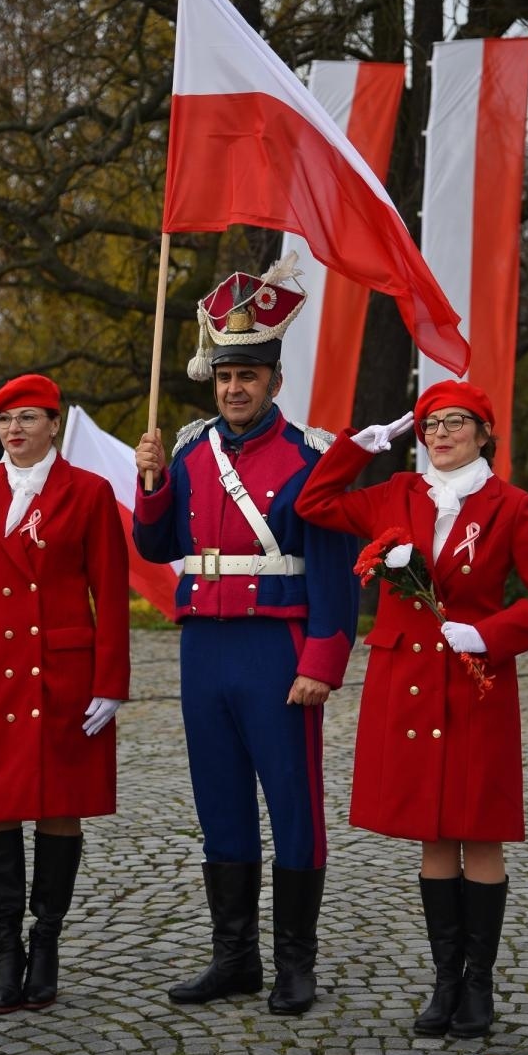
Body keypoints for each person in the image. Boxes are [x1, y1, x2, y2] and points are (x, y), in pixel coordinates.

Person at [295, 380, 528, 1038]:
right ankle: (442, 983)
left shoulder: (509, 506)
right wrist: (356, 447)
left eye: (456, 422)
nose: (441, 433)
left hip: (474, 685)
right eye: (430, 424)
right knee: (432, 833)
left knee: (478, 829)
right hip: (409, 685)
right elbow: (314, 502)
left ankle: (476, 988)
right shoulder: (396, 494)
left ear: (483, 434)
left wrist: (490, 632)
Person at [134, 257, 359, 1015]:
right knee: (219, 804)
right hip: (204, 649)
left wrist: (322, 662)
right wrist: (154, 482)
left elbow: (334, 572)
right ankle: (233, 958)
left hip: (276, 651)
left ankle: (296, 964)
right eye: (226, 375)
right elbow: (158, 547)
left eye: (250, 375)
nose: (235, 388)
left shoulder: (308, 458)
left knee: (293, 806)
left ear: (274, 381)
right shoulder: (192, 452)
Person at [0, 373, 130, 1014]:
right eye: (6, 420)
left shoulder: (88, 493)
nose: (15, 430)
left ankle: (46, 945)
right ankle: (5, 950)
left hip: (61, 672)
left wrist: (112, 682)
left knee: (59, 806)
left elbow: (111, 593)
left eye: (29, 418)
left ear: (53, 423)